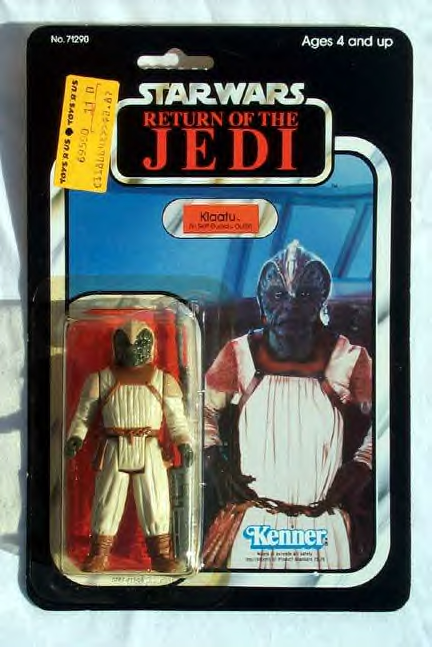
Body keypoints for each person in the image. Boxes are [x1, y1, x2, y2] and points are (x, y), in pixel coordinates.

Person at [203, 240, 372, 571]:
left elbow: (390, 420)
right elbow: (201, 411)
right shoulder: (239, 354)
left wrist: (363, 464)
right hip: (255, 521)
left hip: (323, 527)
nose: (291, 307)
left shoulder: (348, 358)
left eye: (304, 296)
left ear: (320, 300)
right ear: (264, 300)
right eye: (280, 295)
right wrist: (213, 458)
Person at [65, 320, 194, 573]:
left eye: (140, 344)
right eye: (127, 344)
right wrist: (76, 437)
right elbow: (83, 416)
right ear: (117, 347)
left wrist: (184, 443)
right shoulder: (100, 379)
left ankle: (161, 555)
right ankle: (98, 553)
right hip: (114, 447)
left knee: (156, 500)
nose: (133, 349)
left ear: (151, 346)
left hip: (149, 448)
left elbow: (177, 419)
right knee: (107, 501)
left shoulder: (163, 380)